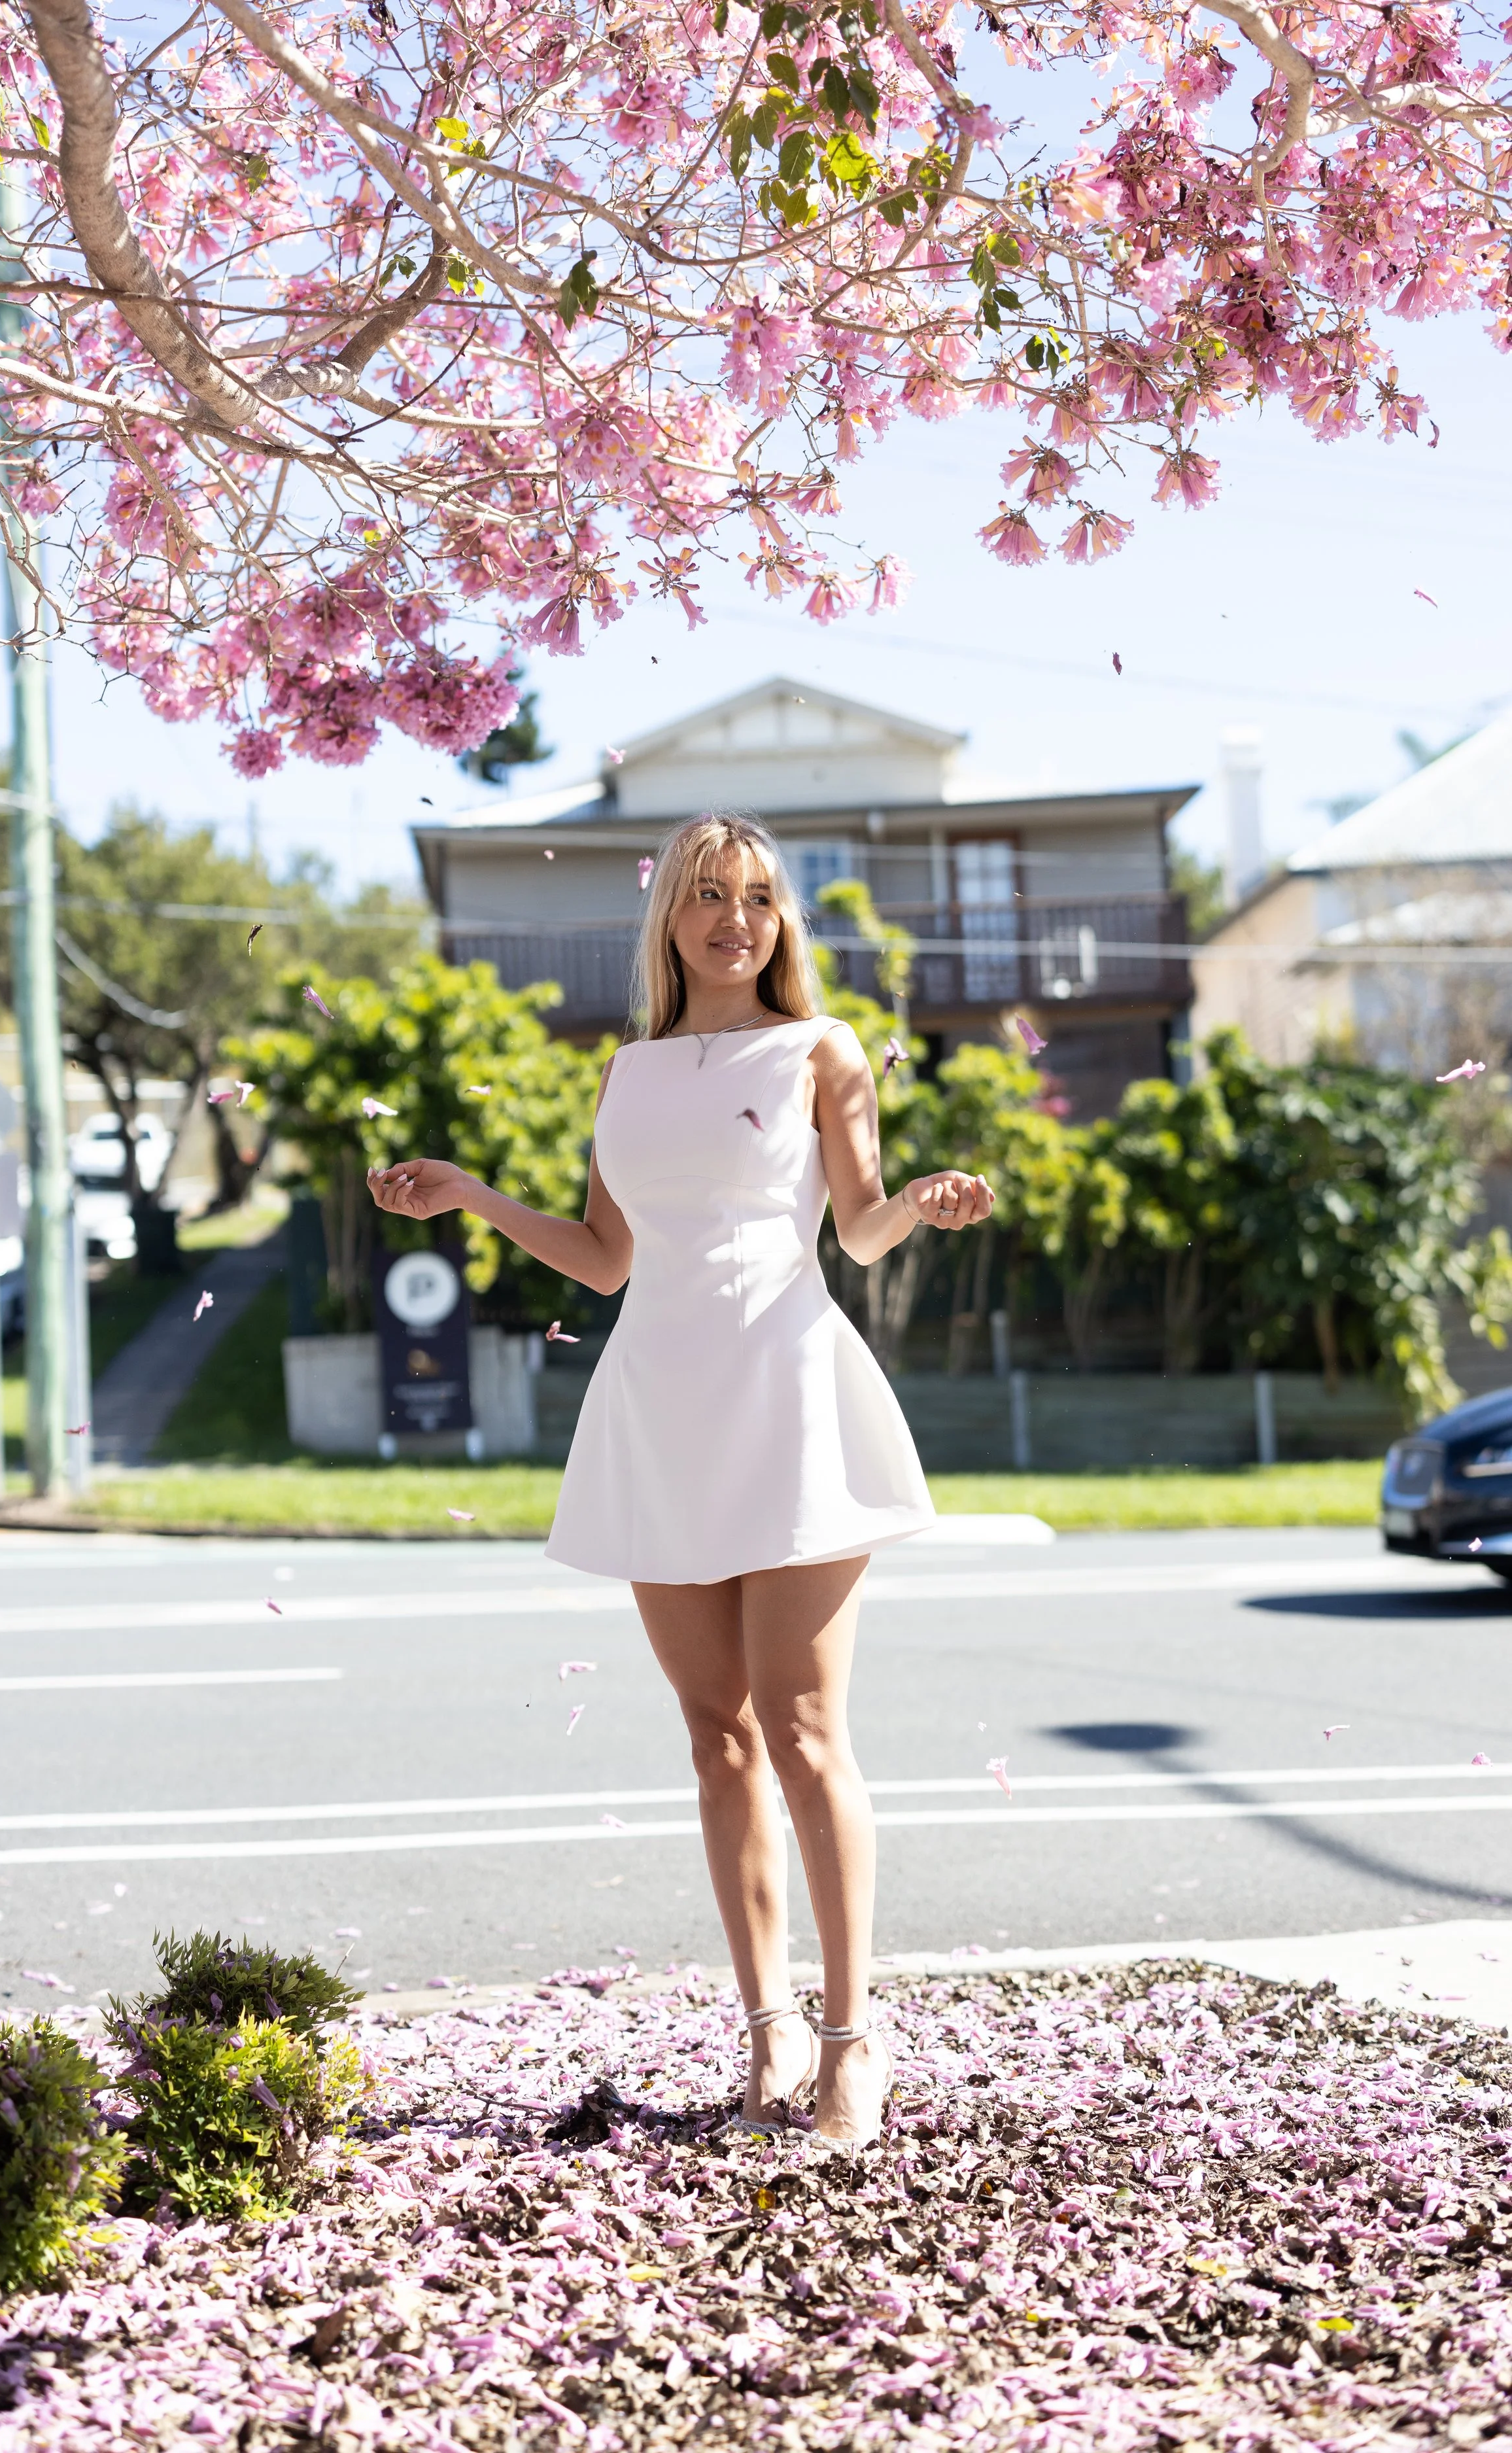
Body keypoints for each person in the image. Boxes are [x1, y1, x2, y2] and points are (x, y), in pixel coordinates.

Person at [368, 813, 993, 2148]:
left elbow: (864, 1227)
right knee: (717, 1740)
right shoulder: (629, 1070)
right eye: (709, 897)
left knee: (805, 1733)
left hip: (789, 1403)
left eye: (758, 899)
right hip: (660, 1406)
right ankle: (762, 2036)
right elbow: (604, 1257)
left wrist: (922, 1199)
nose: (736, 920)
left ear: (780, 922)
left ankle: (849, 2045)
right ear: (669, 918)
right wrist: (472, 1193)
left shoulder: (823, 1050)